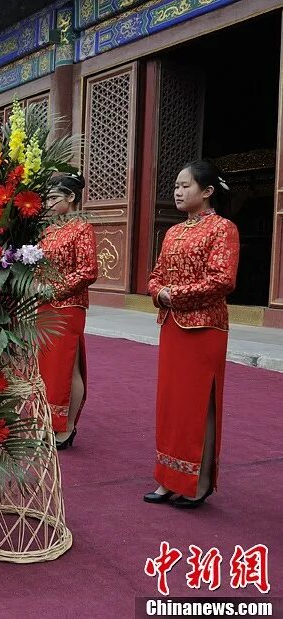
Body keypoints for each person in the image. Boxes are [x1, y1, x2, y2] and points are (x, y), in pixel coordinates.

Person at [144, 160, 239, 509]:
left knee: (199, 404)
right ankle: (169, 479)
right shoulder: (172, 232)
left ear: (208, 191)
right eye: (176, 185)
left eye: (186, 186)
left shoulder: (223, 229)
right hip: (172, 325)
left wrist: (174, 295)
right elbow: (155, 275)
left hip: (205, 327)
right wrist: (159, 293)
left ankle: (196, 484)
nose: (178, 191)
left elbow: (222, 280)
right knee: (170, 404)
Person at [37, 173, 97, 450]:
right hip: (44, 304)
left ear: (71, 198)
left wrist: (55, 289)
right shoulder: (48, 230)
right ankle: (48, 421)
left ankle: (67, 426)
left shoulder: (82, 228)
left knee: (67, 365)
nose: (48, 204)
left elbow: (87, 270)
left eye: (53, 198)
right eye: (46, 198)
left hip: (69, 304)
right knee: (48, 366)